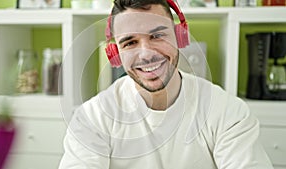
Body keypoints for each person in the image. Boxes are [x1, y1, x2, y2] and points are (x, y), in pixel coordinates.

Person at [59, 0, 273, 168]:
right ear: (115, 54)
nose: (146, 54)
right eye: (130, 42)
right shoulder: (92, 118)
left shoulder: (227, 112)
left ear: (180, 37)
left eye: (157, 35)